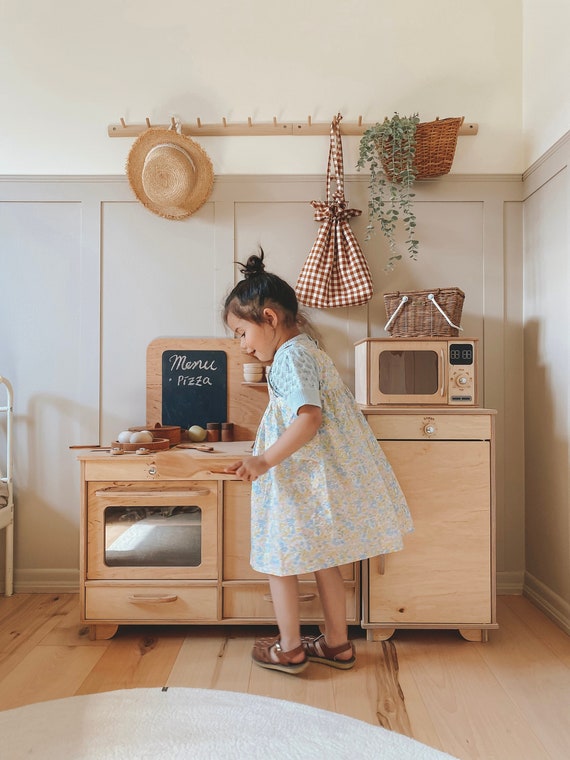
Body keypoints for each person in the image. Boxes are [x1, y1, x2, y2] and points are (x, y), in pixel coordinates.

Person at [223, 249, 413, 675]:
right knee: (325, 557)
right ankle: (337, 643)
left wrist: (262, 461)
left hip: (299, 477)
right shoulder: (308, 350)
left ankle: (290, 647)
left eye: (240, 333)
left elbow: (309, 419)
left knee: (279, 557)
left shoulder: (289, 358)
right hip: (320, 476)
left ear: (269, 318)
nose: (241, 344)